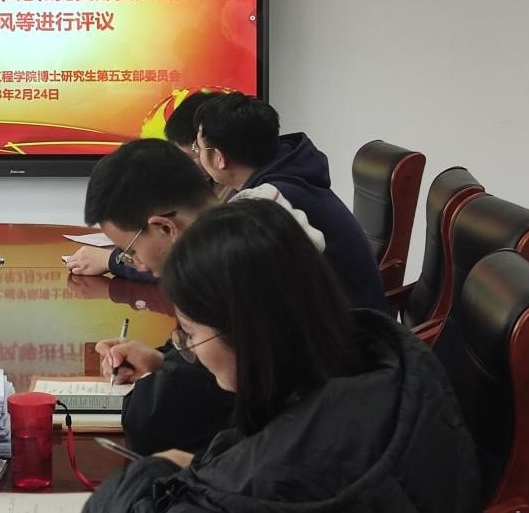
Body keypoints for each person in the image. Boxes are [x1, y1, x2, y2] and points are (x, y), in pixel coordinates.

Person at [84, 199, 482, 513]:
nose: (187, 349)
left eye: (189, 334)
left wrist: (162, 466)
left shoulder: (280, 475)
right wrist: (199, 465)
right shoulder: (380, 358)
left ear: (246, 333)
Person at [81, 139, 323, 455]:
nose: (136, 264)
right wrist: (161, 360)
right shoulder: (258, 224)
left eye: (130, 251)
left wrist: (163, 377)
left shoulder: (233, 268)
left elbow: (151, 421)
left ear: (165, 228)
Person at [193, 91, 388, 312]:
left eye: (198, 148)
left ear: (219, 158)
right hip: (354, 314)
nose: (196, 154)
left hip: (345, 327)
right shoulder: (291, 168)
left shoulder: (266, 203)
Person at [63, 91, 233, 278]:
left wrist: (112, 260)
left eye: (132, 252)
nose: (180, 167)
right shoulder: (221, 202)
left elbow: (184, 268)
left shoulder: (232, 249)